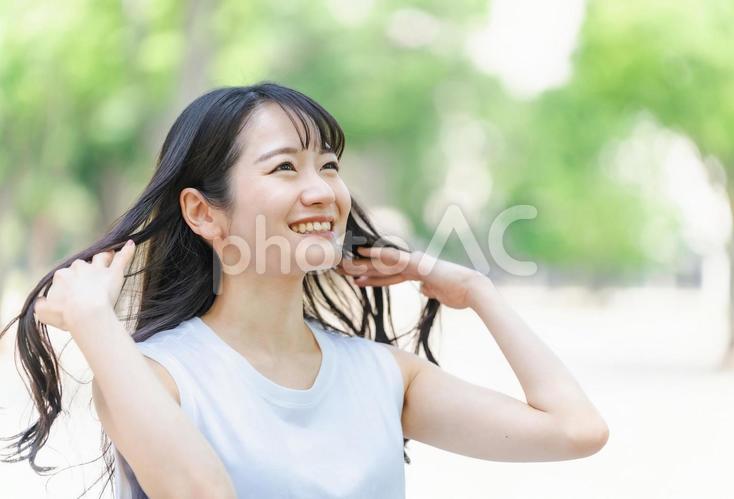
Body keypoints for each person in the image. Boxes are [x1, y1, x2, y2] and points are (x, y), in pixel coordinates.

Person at [1, 82, 608, 498]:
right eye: (285, 167)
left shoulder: (384, 376)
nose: (323, 191)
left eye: (330, 166)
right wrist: (93, 322)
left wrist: (476, 289)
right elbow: (201, 492)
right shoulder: (156, 378)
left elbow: (575, 431)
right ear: (204, 213)